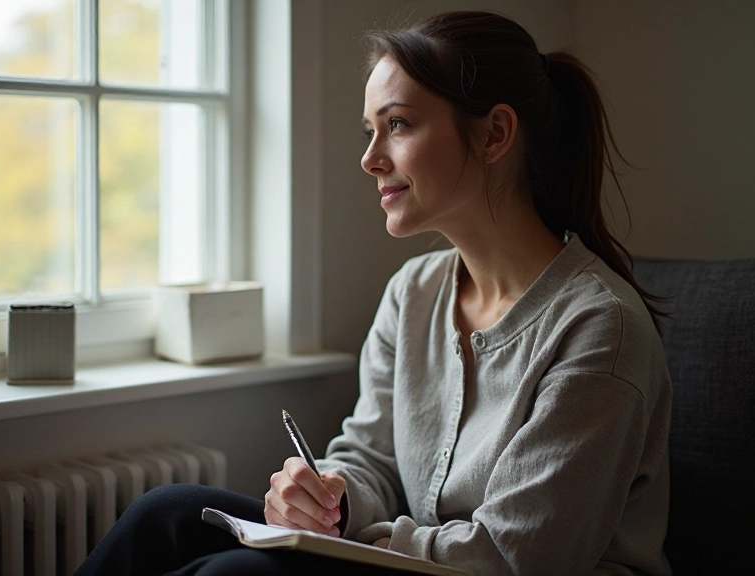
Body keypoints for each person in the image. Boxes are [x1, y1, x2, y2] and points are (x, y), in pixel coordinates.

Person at [76, 10, 671, 576]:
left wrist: (360, 540)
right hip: (405, 557)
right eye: (371, 130)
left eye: (399, 124)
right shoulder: (413, 292)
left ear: (494, 133)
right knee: (166, 512)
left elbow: (515, 557)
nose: (369, 158)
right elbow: (372, 460)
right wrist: (326, 497)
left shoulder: (599, 328)